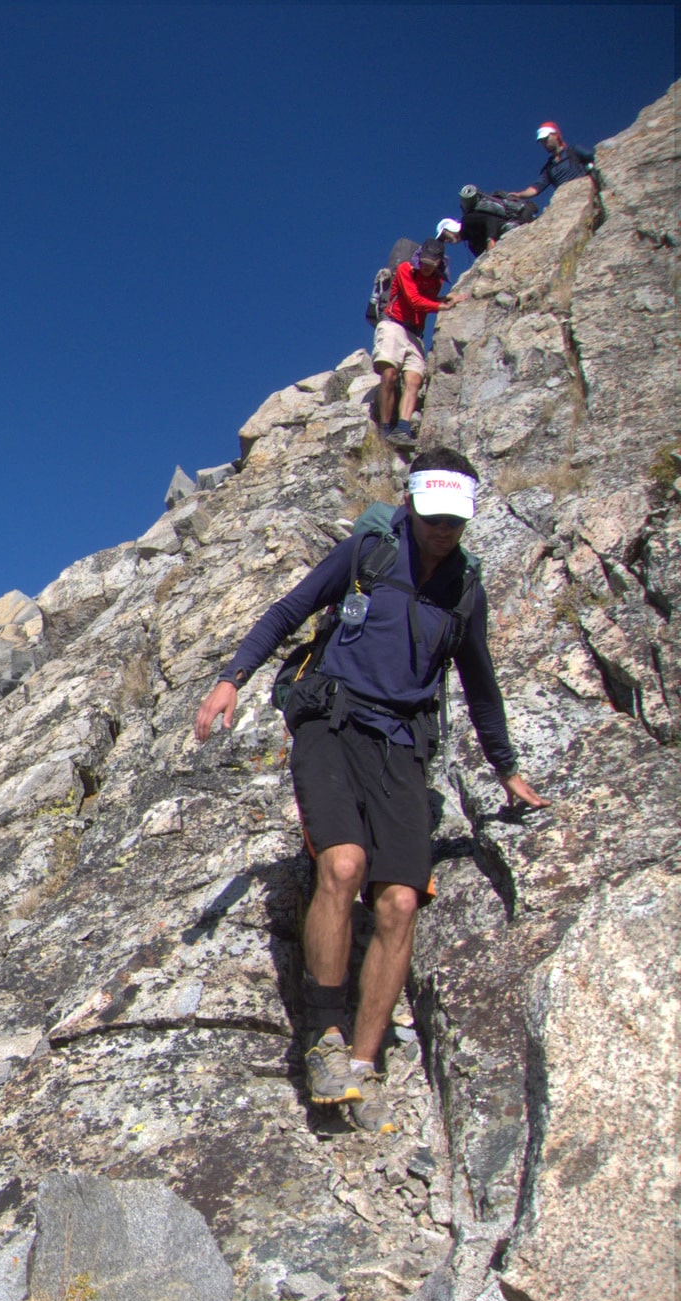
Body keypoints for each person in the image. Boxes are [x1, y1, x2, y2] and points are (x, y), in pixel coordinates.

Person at [193, 448, 549, 1132]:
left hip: (403, 745)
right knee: (344, 864)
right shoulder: (369, 551)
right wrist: (232, 676)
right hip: (333, 720)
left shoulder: (465, 592)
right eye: (434, 516)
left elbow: (481, 685)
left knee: (400, 901)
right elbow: (287, 610)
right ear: (411, 503)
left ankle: (359, 1063)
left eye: (456, 520)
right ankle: (323, 1037)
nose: (444, 530)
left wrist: (505, 768)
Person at [373, 241, 467, 446]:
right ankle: (385, 429)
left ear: (438, 263)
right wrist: (443, 306)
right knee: (389, 374)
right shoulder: (405, 269)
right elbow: (414, 300)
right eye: (424, 262)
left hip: (415, 333)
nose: (426, 267)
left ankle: (403, 429)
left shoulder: (436, 281)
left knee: (414, 380)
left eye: (431, 264)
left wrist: (445, 298)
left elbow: (427, 301)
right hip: (394, 325)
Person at [510, 122, 594, 206]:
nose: (544, 143)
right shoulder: (549, 168)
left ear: (556, 135)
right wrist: (520, 195)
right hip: (565, 200)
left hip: (584, 192)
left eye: (546, 139)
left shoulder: (573, 151)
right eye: (542, 141)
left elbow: (595, 158)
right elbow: (537, 187)